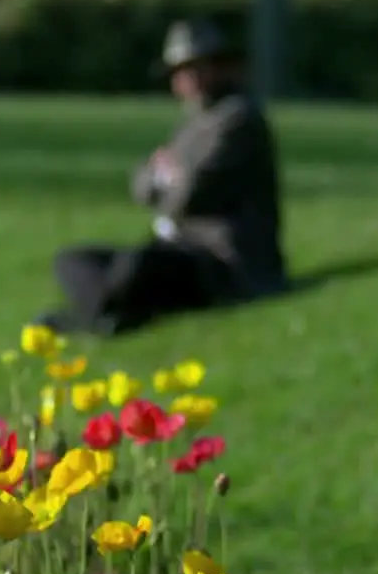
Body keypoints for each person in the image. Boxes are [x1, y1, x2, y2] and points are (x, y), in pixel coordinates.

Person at [37, 19, 289, 336]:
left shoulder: (238, 121)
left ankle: (86, 319)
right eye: (182, 71)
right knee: (72, 260)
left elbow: (190, 196)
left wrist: (166, 178)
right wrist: (168, 178)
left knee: (139, 265)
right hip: (179, 247)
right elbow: (142, 182)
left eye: (199, 66)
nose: (191, 78)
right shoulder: (195, 123)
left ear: (220, 66)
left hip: (223, 263)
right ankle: (110, 314)